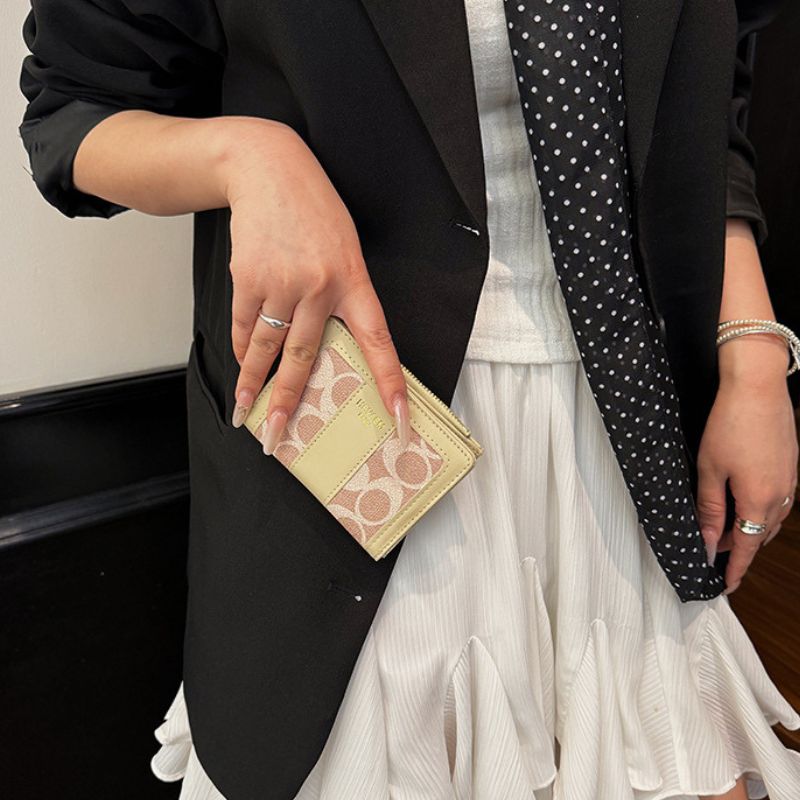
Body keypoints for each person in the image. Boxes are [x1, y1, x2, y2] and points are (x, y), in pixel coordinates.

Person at [18, 0, 800, 798]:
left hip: (631, 428)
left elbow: (705, 109)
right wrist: (247, 155)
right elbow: (72, 111)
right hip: (364, 442)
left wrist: (753, 352)